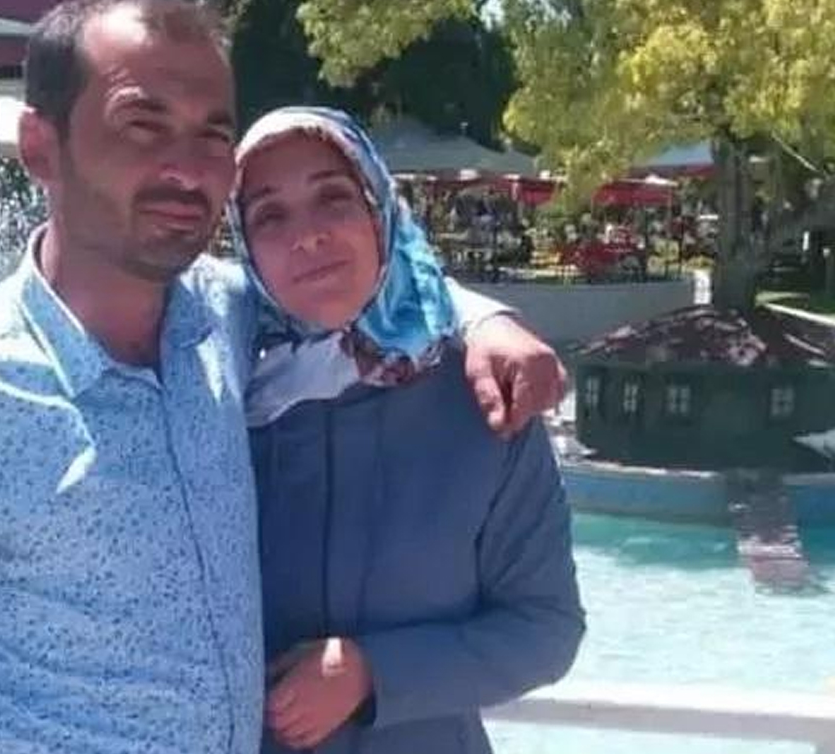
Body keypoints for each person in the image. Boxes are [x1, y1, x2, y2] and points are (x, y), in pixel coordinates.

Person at [0, 3, 566, 753]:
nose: (188, 169)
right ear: (40, 145)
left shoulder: (225, 320)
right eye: (143, 124)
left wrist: (486, 319)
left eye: (213, 135)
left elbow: (358, 286)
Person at [229, 107, 584, 753]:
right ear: (244, 246)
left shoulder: (482, 398)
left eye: (333, 198)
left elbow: (546, 628)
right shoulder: (216, 395)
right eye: (270, 215)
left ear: (379, 209)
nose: (306, 236)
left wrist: (375, 674)